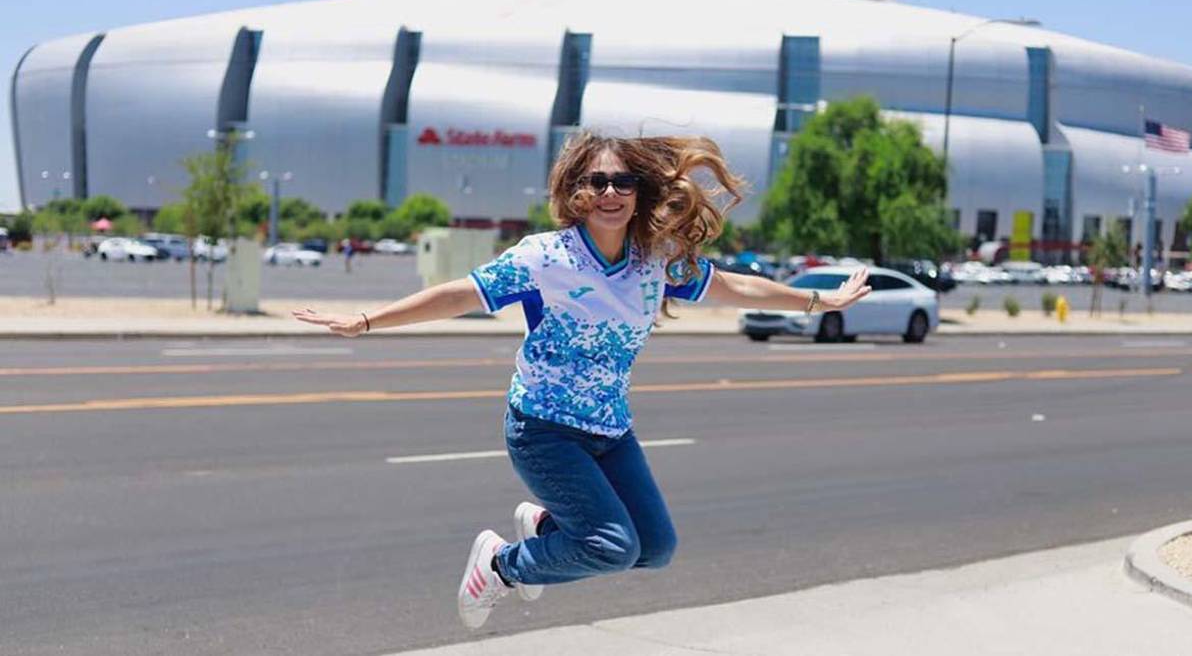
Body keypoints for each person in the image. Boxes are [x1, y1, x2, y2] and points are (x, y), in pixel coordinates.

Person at [293, 132, 871, 630]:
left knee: (656, 549)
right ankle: (499, 564)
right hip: (543, 429)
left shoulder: (656, 258)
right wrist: (368, 320)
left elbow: (735, 287)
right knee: (612, 547)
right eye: (597, 182)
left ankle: (546, 525)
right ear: (577, 192)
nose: (611, 193)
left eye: (623, 182)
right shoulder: (545, 257)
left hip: (611, 432)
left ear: (640, 192)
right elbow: (460, 294)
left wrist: (818, 301)